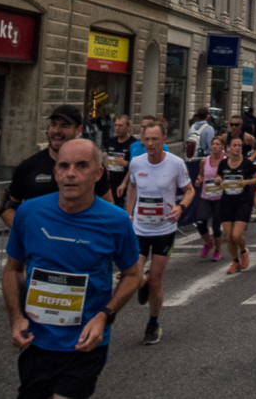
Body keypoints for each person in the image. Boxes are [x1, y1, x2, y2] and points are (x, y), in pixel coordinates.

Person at [3, 139, 142, 399]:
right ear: (55, 173)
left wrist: (105, 315)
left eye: (81, 166)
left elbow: (133, 275)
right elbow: (12, 270)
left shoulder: (115, 220)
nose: (70, 174)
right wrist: (15, 318)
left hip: (85, 345)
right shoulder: (29, 213)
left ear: (98, 173)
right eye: (64, 166)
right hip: (36, 342)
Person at [126, 119, 194, 344]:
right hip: (140, 228)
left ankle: (153, 323)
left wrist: (180, 207)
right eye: (146, 139)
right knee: (133, 276)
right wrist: (129, 214)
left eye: (155, 139)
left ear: (164, 140)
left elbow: (189, 190)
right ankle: (142, 281)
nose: (150, 143)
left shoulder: (175, 164)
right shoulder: (136, 162)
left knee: (156, 281)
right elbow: (133, 186)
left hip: (164, 228)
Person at [0, 105, 111, 228]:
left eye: (64, 126)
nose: (57, 131)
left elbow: (109, 207)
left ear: (79, 129)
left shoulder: (91, 167)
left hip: (79, 242)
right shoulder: (29, 166)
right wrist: (28, 233)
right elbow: (7, 208)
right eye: (53, 125)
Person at [219, 134, 256, 274]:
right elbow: (218, 176)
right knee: (229, 236)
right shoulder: (223, 164)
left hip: (243, 201)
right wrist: (218, 180)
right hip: (226, 201)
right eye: (234, 145)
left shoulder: (247, 163)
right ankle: (235, 261)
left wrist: (246, 182)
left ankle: (243, 251)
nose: (237, 148)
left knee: (236, 235)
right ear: (228, 148)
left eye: (239, 146)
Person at [193, 134, 226, 261]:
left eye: (218, 144)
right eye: (213, 144)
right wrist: (198, 180)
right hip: (205, 197)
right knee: (201, 222)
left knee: (216, 226)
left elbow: (228, 176)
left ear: (222, 146)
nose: (215, 146)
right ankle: (208, 243)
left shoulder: (225, 160)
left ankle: (217, 250)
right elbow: (201, 175)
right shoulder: (204, 160)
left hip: (219, 198)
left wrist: (221, 180)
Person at [105, 114, 138, 202]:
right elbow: (107, 159)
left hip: (126, 185)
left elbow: (138, 166)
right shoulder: (110, 142)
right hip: (111, 184)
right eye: (116, 125)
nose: (117, 128)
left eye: (120, 125)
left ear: (128, 127)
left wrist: (125, 163)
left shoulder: (134, 144)